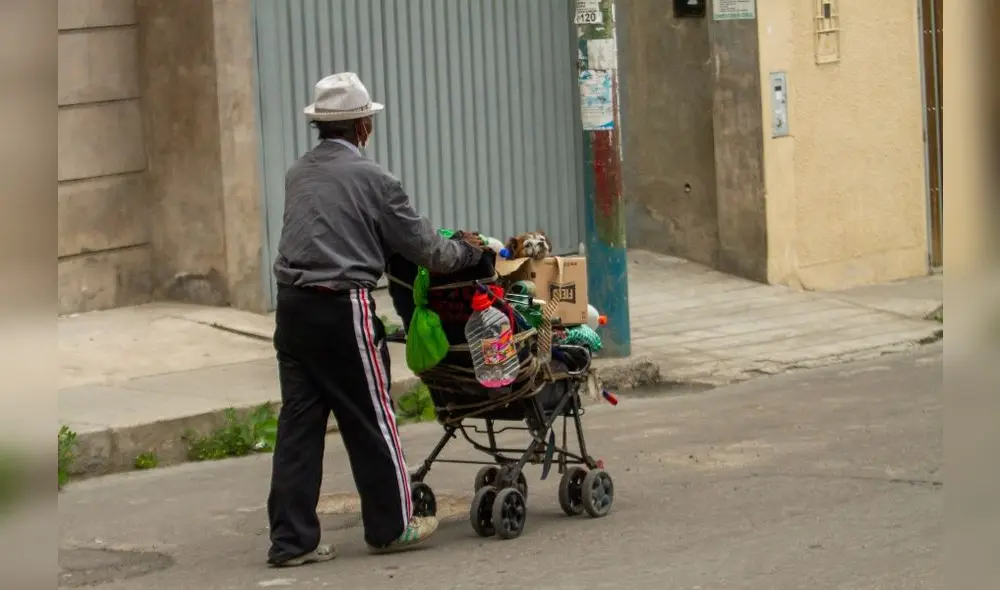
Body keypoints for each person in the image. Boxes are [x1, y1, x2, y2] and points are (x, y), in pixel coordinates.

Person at [266, 72, 484, 567]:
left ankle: (291, 541)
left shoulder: (299, 173)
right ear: (363, 126)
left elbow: (336, 230)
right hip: (342, 306)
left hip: (292, 308)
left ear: (322, 126)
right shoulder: (375, 179)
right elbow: (428, 251)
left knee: (299, 424)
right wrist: (470, 253)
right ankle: (391, 526)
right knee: (373, 416)